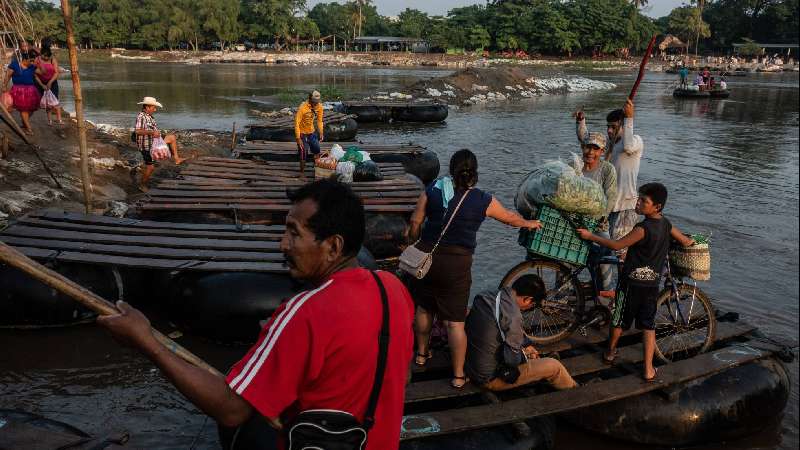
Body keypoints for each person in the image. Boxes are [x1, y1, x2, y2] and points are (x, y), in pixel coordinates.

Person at [98, 179, 415, 450]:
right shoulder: (392, 288)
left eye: (294, 233)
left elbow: (232, 410)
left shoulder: (304, 312)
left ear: (333, 247)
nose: (283, 244)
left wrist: (147, 341)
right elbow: (401, 373)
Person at [408, 149, 542, 389]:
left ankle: (421, 355)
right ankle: (458, 375)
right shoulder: (482, 199)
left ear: (451, 169)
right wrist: (529, 223)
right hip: (456, 265)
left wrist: (414, 242)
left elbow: (415, 223)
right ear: (474, 172)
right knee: (455, 322)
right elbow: (509, 218)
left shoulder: (433, 191)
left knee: (425, 308)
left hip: (426, 259)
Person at [577, 183, 695, 381]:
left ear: (656, 207)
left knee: (620, 319)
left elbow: (616, 245)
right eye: (639, 198)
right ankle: (649, 369)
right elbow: (685, 241)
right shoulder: (666, 224)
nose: (638, 202)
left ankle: (610, 353)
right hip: (651, 287)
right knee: (648, 326)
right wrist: (691, 242)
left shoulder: (642, 228)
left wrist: (591, 236)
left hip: (630, 284)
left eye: (644, 201)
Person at [465, 274, 578, 391]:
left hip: (469, 366)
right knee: (555, 367)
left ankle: (538, 364)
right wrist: (524, 355)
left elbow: (501, 327)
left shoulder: (485, 296)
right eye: (532, 305)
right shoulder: (513, 316)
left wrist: (525, 344)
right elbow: (512, 361)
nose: (530, 307)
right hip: (489, 378)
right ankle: (576, 390)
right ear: (527, 299)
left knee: (525, 348)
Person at [577, 100, 643, 257]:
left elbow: (627, 146)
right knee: (603, 249)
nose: (609, 130)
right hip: (606, 205)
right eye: (608, 127)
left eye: (614, 127)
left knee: (620, 252)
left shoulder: (635, 142)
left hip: (625, 205)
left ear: (622, 125)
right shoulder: (608, 146)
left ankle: (622, 281)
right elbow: (586, 139)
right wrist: (581, 121)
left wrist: (629, 118)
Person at [575, 131, 617, 293]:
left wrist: (601, 217)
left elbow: (611, 197)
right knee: (564, 262)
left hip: (599, 225)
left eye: (595, 149)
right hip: (575, 223)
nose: (590, 152)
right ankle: (561, 296)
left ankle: (606, 296)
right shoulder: (575, 167)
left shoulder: (607, 169)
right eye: (587, 147)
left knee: (606, 262)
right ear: (582, 147)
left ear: (602, 151)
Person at [134, 96, 185, 191]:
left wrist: (156, 134)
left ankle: (177, 159)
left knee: (172, 138)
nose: (155, 109)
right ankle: (142, 184)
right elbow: (137, 131)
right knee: (151, 167)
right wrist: (152, 132)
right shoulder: (141, 117)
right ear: (147, 107)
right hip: (146, 146)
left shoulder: (150, 117)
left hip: (154, 142)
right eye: (153, 107)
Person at [3, 50, 40, 134]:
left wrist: (40, 64)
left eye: (33, 60)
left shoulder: (32, 67)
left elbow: (42, 72)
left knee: (32, 109)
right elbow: (8, 76)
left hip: (31, 91)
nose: (32, 62)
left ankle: (24, 122)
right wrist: (4, 86)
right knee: (24, 110)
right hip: (19, 91)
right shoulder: (14, 65)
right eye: (31, 60)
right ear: (24, 59)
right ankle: (29, 129)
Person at [294, 90, 324, 177]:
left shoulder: (320, 107)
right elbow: (296, 123)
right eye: (314, 102)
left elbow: (319, 121)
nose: (316, 104)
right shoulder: (302, 108)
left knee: (317, 150)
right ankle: (302, 173)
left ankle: (318, 170)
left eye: (317, 102)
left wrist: (321, 132)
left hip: (312, 132)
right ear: (310, 99)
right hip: (302, 134)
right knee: (304, 152)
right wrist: (298, 138)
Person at [34, 42, 62, 125]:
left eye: (48, 56)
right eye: (44, 56)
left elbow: (56, 73)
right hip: (41, 84)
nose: (46, 58)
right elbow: (35, 75)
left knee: (56, 101)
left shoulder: (53, 59)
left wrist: (50, 82)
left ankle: (59, 119)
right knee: (47, 102)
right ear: (41, 54)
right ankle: (50, 120)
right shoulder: (37, 60)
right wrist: (42, 85)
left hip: (52, 83)